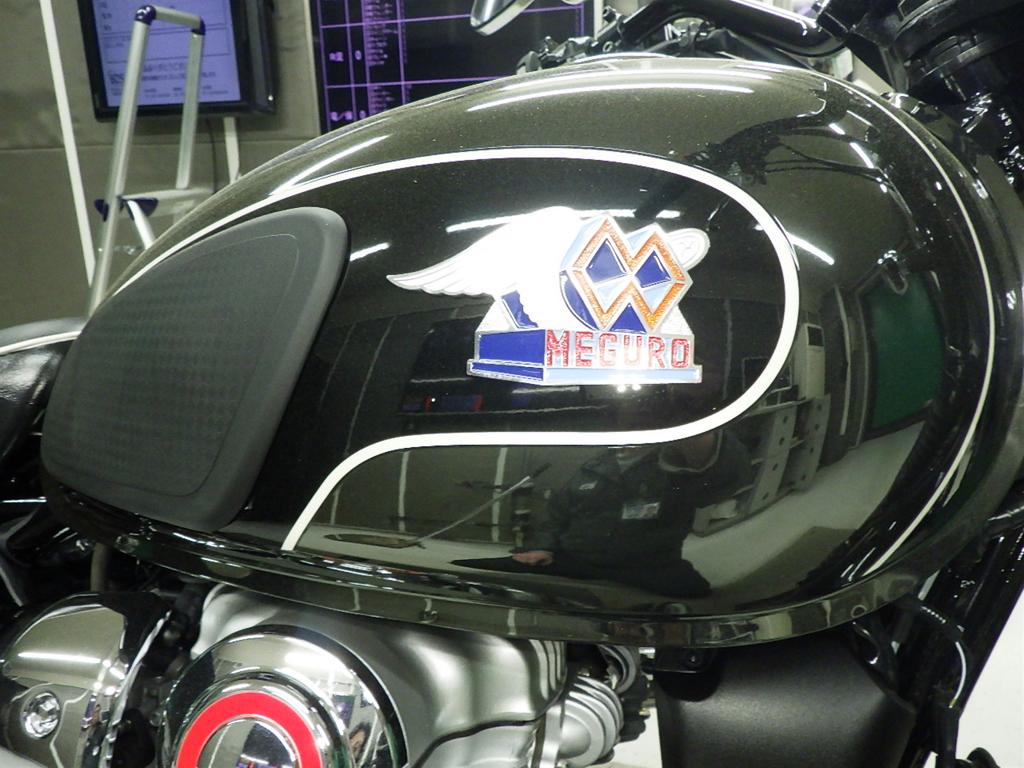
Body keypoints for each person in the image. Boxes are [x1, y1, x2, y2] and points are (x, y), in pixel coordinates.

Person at [508, 431, 751, 598]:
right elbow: (556, 516)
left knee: (703, 599)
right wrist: (543, 548)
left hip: (648, 567)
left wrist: (693, 428)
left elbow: (723, 478)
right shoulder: (591, 467)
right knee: (500, 572)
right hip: (577, 560)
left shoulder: (675, 462)